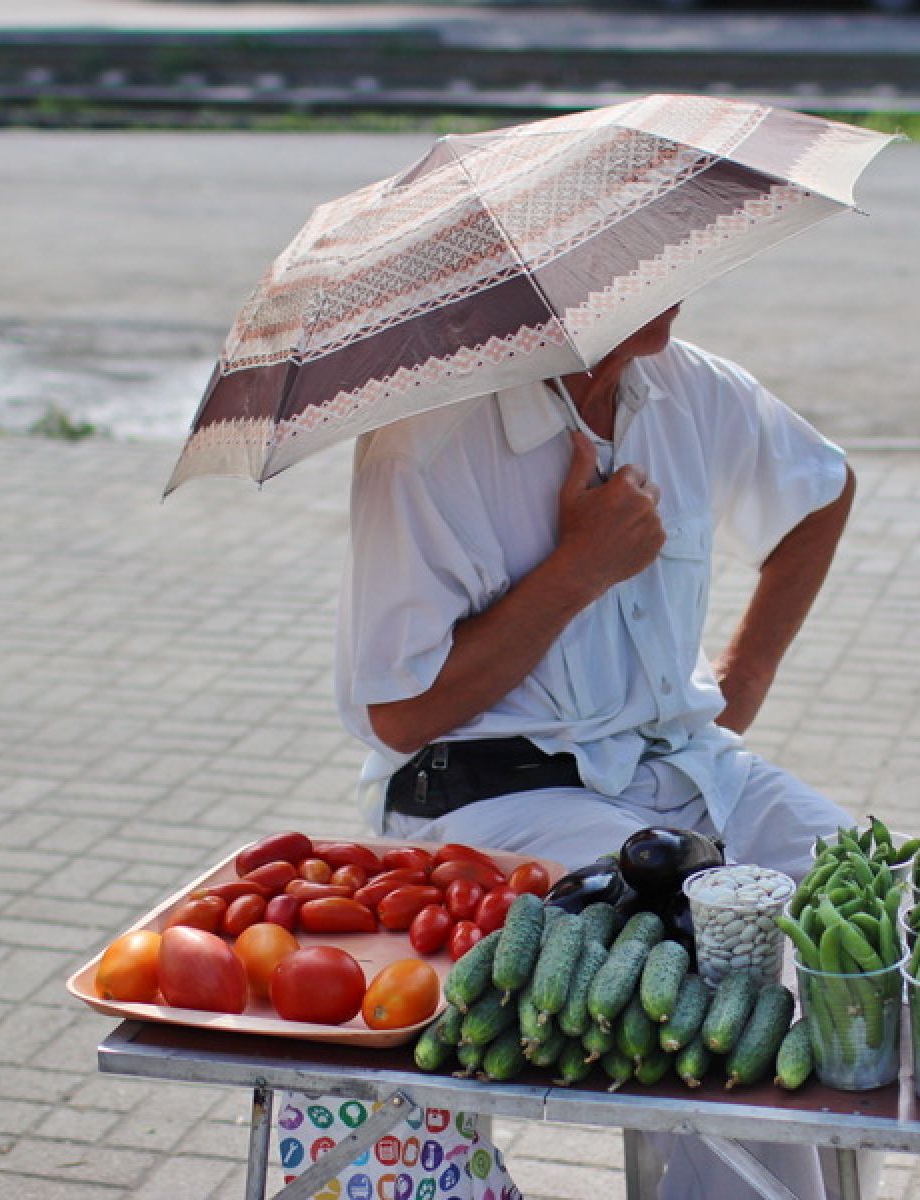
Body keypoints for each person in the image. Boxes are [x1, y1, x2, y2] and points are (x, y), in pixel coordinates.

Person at [334, 303, 876, 1199]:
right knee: (721, 971)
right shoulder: (426, 444)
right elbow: (399, 714)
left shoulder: (691, 386)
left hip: (688, 766)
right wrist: (579, 569)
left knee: (876, 917)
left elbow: (822, 490)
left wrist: (744, 681)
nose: (669, 277)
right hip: (489, 793)